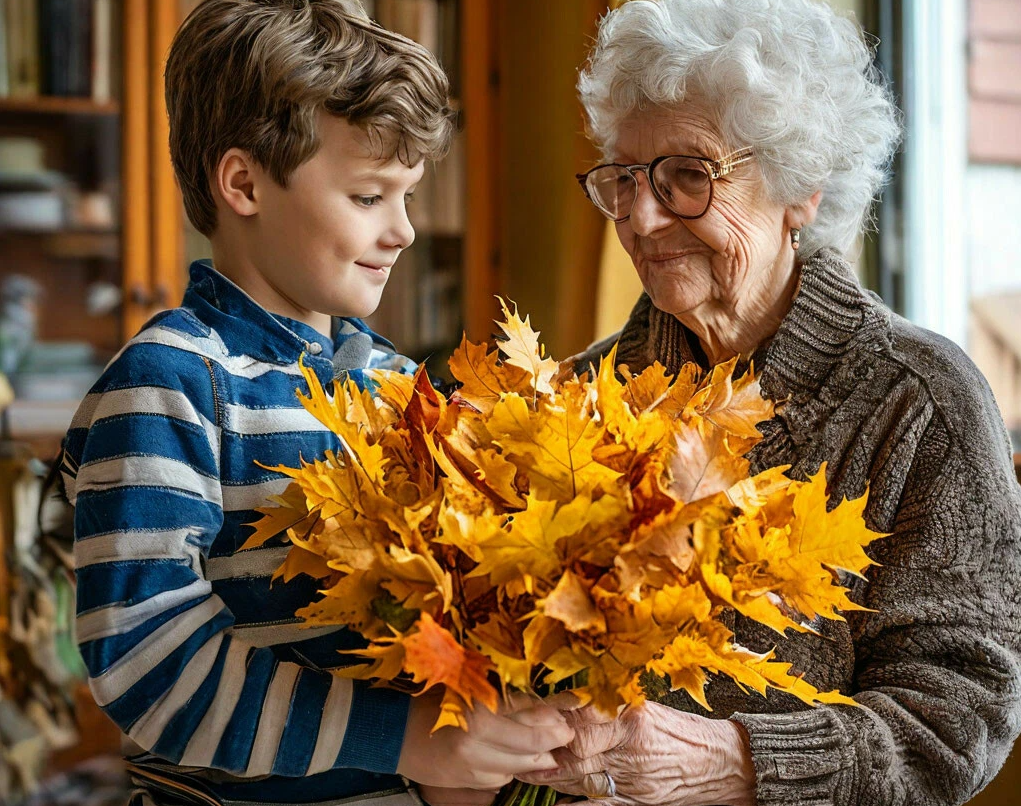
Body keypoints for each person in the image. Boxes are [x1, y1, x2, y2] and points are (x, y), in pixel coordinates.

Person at [61, 2, 571, 805]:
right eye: (370, 196)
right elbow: (145, 659)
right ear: (243, 183)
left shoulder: (402, 390)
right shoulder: (170, 384)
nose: (402, 230)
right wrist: (402, 740)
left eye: (409, 195)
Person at [519, 1, 1021, 805]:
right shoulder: (575, 399)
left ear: (801, 188)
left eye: (688, 176)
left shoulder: (917, 402)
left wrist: (726, 760)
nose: (642, 218)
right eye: (623, 177)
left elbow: (953, 722)